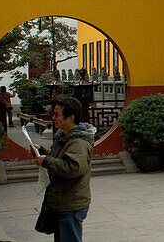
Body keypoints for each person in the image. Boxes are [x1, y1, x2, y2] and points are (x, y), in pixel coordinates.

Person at [33, 97, 94, 242]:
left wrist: (47, 161)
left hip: (70, 203)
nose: (54, 118)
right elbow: (61, 159)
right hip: (61, 200)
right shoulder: (65, 138)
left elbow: (73, 168)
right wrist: (42, 153)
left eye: (57, 114)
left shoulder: (78, 143)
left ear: (70, 117)